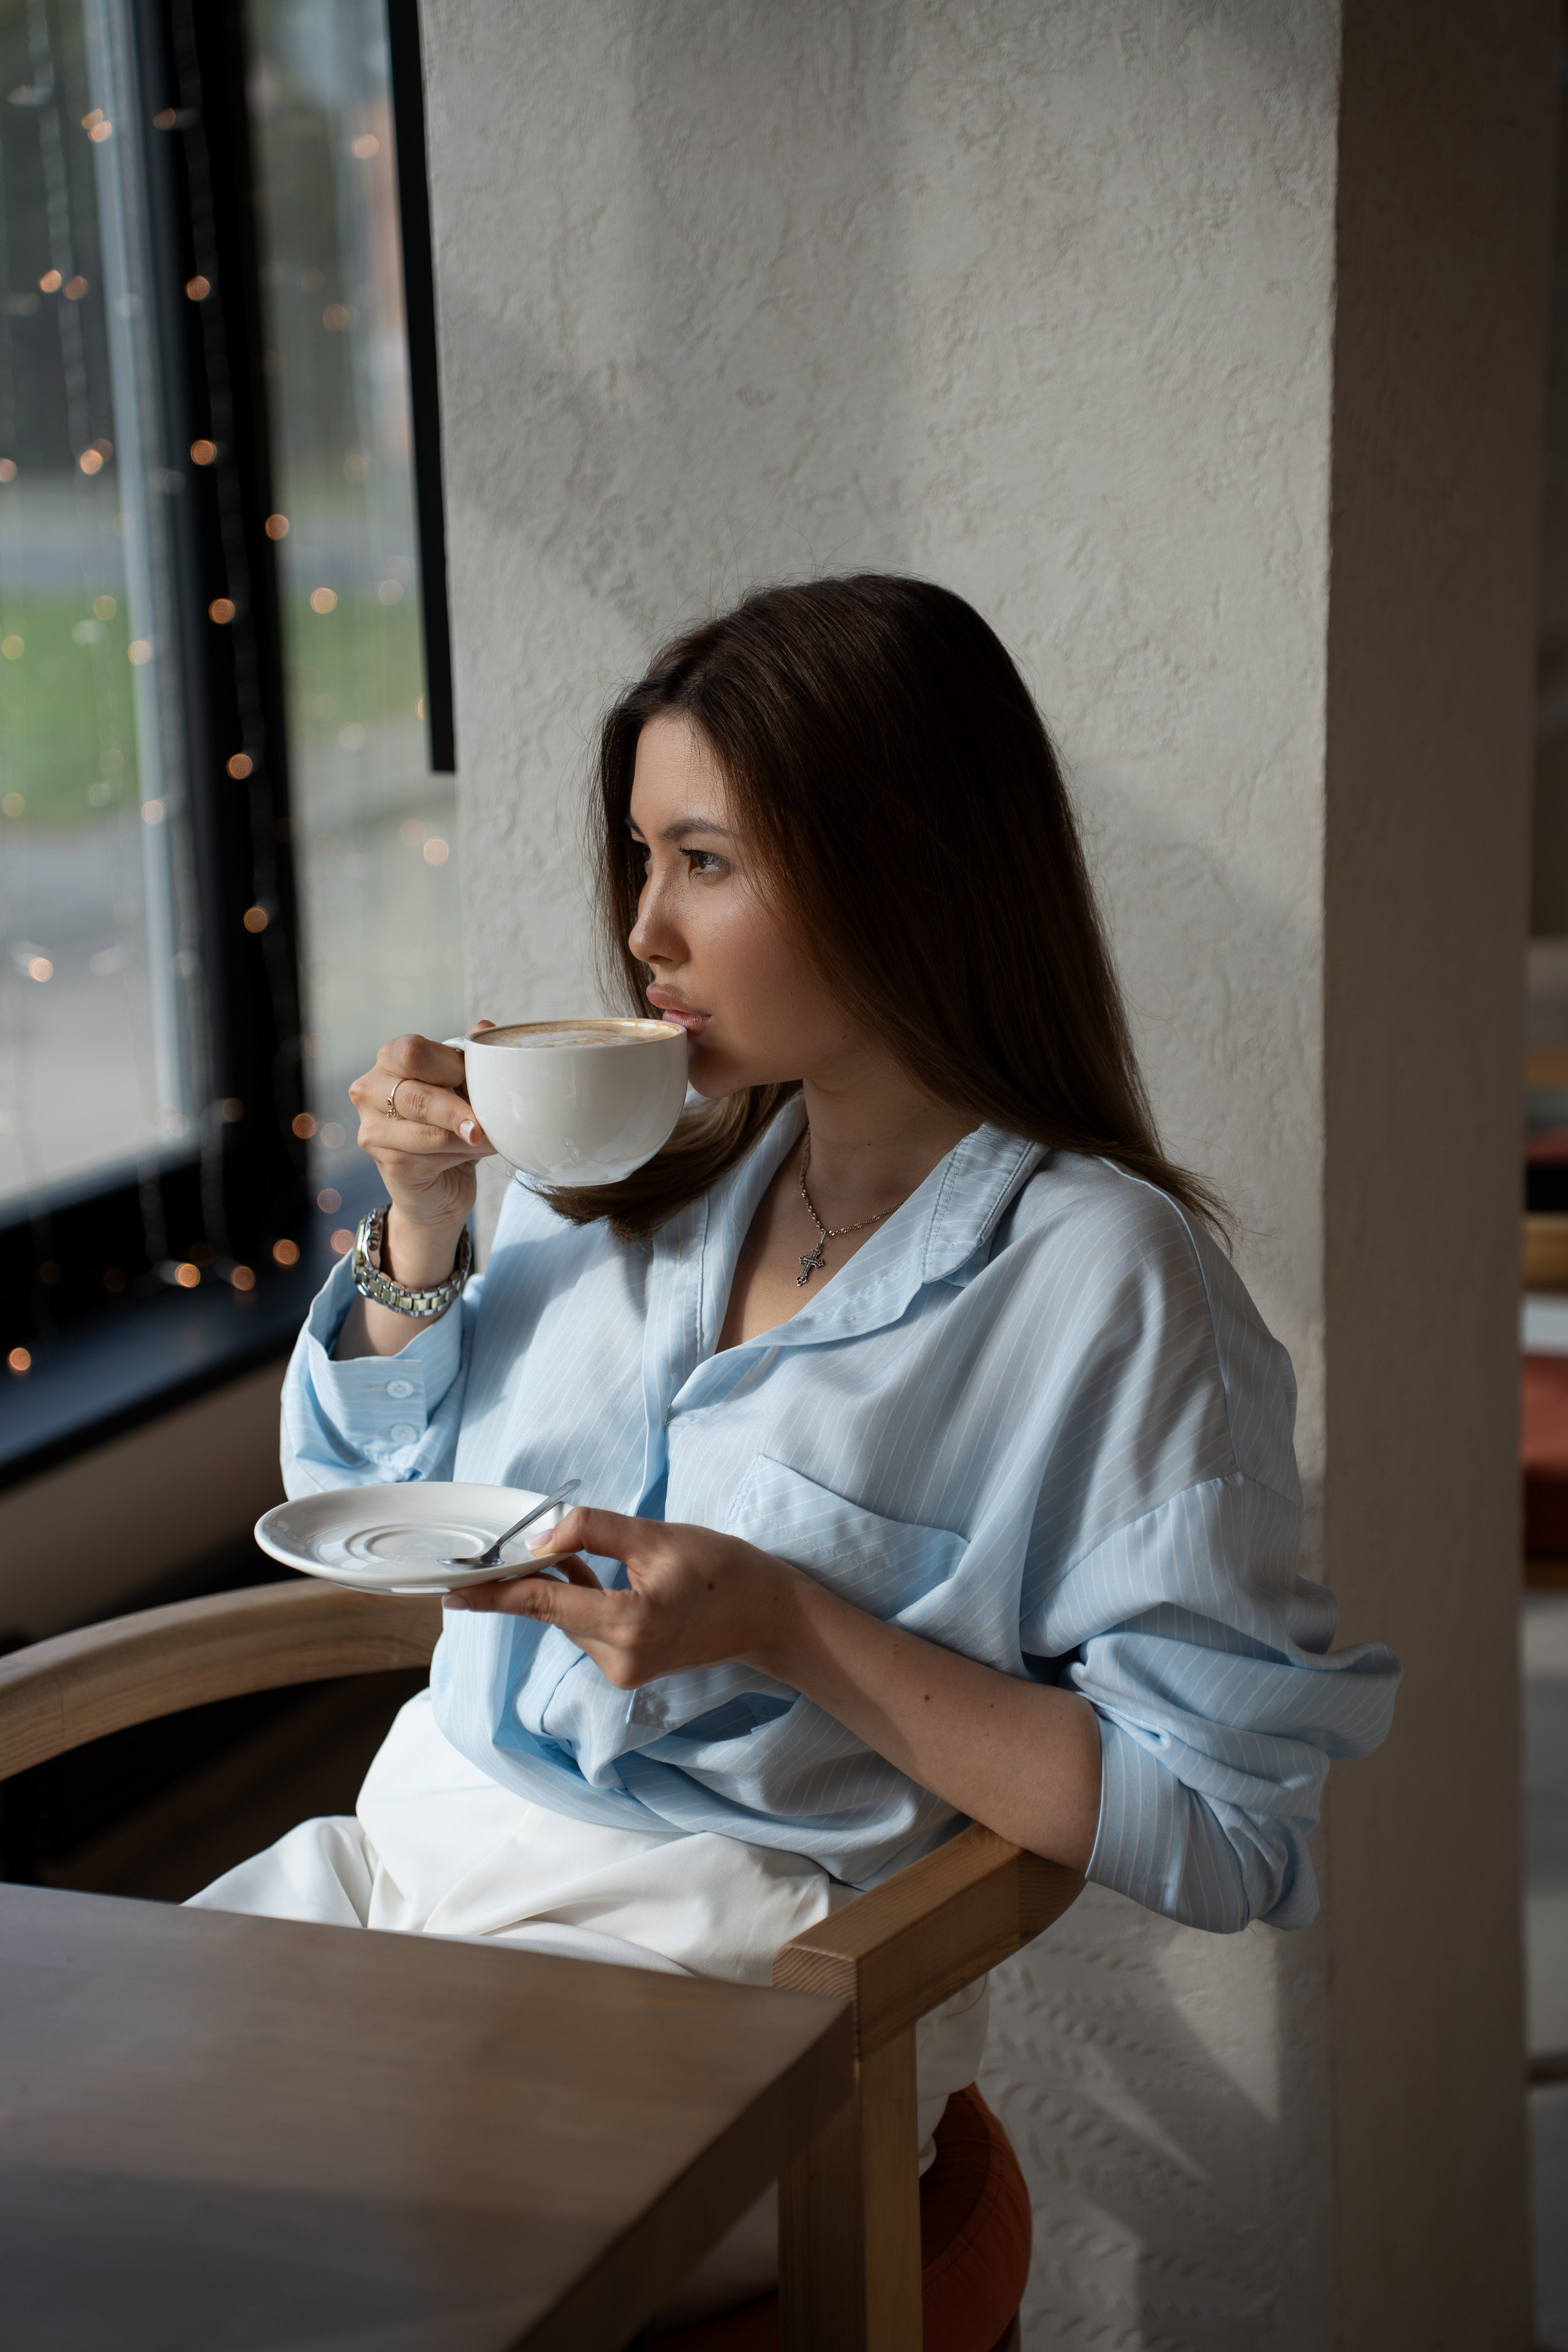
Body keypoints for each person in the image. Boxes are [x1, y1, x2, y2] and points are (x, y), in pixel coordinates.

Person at [192, 574, 1398, 2319]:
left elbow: (1223, 1823)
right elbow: (354, 1493)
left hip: (716, 2000)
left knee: (267, 2277)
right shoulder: (629, 1173)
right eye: (640, 856)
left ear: (902, 867)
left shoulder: (1106, 1286)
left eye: (707, 860)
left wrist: (783, 1624)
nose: (644, 932)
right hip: (394, 1876)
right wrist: (421, 1226)